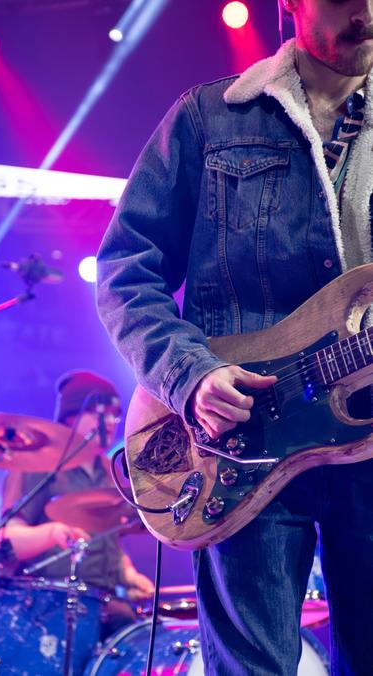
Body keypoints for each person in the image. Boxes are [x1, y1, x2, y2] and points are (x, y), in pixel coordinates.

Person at [96, 1, 373, 673]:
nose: (364, 10)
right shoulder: (209, 119)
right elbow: (126, 269)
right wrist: (189, 376)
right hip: (242, 444)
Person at [0, 370, 154, 642]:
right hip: (47, 605)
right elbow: (7, 540)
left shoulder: (109, 472)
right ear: (71, 416)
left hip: (101, 602)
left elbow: (109, 541)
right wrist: (51, 532)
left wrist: (128, 574)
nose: (110, 423)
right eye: (100, 413)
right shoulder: (39, 464)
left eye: (115, 415)